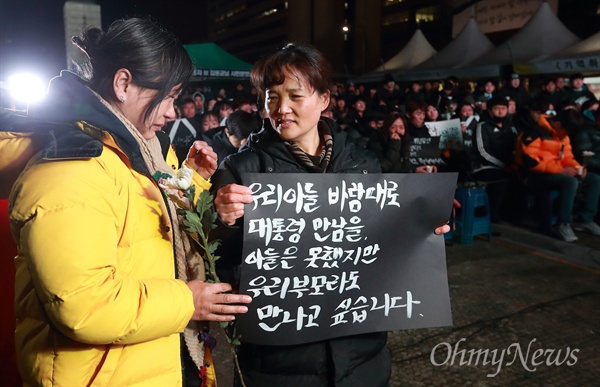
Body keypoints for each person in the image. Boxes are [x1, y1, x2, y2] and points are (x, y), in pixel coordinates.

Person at [0, 18, 252, 386]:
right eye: (167, 97)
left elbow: (151, 231)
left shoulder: (137, 150)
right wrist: (188, 301)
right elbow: (84, 304)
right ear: (123, 84)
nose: (171, 112)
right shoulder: (72, 166)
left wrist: (193, 182)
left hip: (147, 359)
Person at [209, 42, 449, 387]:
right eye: (271, 97)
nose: (282, 109)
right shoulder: (241, 169)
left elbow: (382, 245)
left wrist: (424, 231)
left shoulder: (362, 163)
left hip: (361, 355)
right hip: (278, 362)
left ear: (324, 99)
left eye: (295, 96)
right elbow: (218, 260)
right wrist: (223, 220)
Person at [515, 101, 600, 240]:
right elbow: (530, 162)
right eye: (566, 131)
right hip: (532, 175)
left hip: (555, 172)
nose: (567, 135)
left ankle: (585, 219)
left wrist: (578, 168)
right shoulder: (534, 132)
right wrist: (560, 170)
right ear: (558, 124)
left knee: (594, 179)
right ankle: (563, 224)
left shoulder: (563, 136)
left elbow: (568, 157)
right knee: (570, 182)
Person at [472, 95, 518, 223]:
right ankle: (493, 214)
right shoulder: (482, 127)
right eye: (497, 108)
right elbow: (483, 152)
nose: (500, 111)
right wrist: (503, 165)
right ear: (490, 110)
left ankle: (514, 215)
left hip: (509, 166)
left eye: (503, 108)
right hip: (484, 167)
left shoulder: (511, 126)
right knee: (504, 178)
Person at [163, 97, 203, 165]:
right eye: (186, 108)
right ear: (181, 109)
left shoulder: (199, 122)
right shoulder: (171, 125)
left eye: (191, 107)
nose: (189, 110)